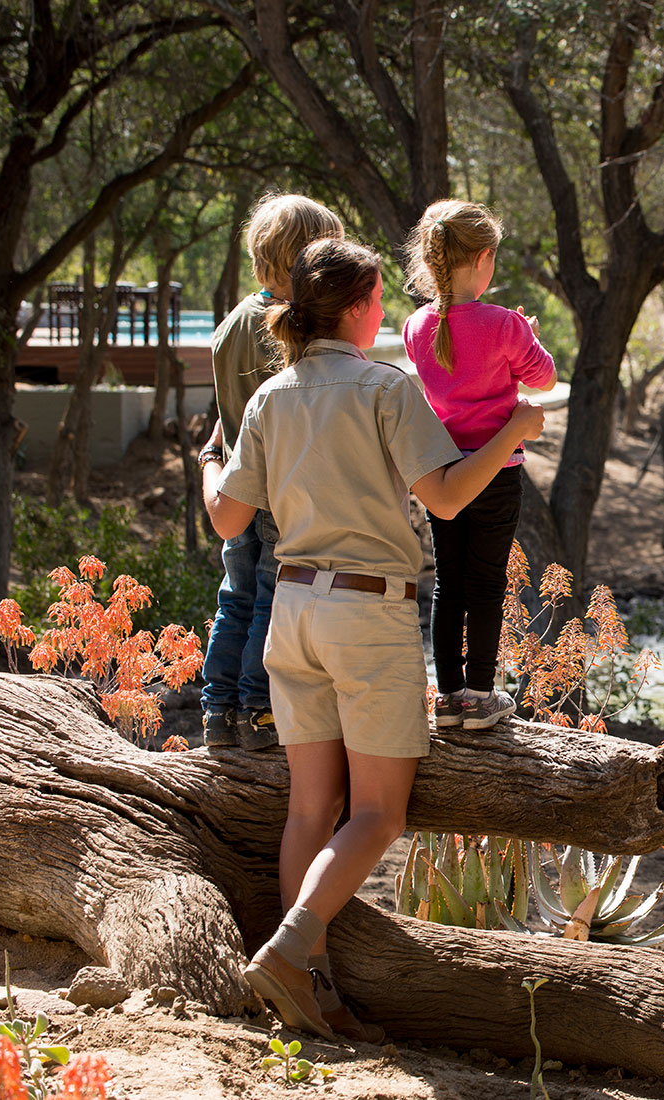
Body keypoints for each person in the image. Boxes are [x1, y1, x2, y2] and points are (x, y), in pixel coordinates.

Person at [200, 238, 545, 1041]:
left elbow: (226, 520)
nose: (387, 312)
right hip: (367, 613)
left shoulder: (270, 396)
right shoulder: (387, 387)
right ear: (357, 308)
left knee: (312, 808)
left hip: (291, 612)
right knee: (380, 815)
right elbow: (448, 498)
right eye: (381, 299)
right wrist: (512, 431)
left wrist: (207, 465)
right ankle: (289, 951)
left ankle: (313, 990)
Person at [402, 200, 556, 730]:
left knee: (448, 582)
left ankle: (447, 699)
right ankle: (481, 696)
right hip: (496, 473)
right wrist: (526, 335)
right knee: (488, 583)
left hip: (444, 475)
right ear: (484, 258)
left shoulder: (416, 325)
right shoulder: (505, 324)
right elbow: (544, 378)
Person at [200, 194, 344, 752]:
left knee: (235, 596)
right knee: (271, 597)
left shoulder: (230, 324)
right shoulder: (288, 328)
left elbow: (227, 408)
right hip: (281, 489)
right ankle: (260, 706)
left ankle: (218, 709)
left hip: (238, 485)